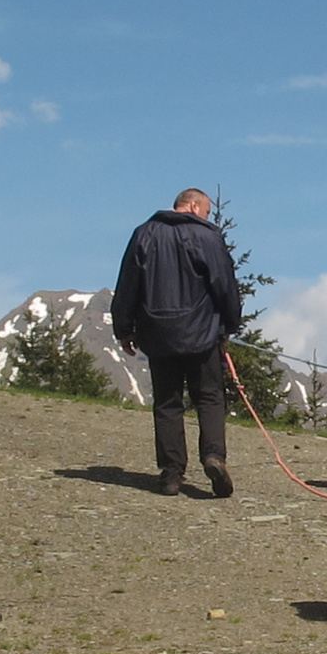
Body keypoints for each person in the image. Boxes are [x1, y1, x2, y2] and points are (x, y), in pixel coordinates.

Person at [112, 188, 243, 497]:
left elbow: (128, 284)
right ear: (195, 206)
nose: (208, 217)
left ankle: (171, 474)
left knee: (168, 403)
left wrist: (124, 328)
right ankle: (213, 456)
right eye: (207, 212)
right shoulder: (207, 238)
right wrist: (229, 325)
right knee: (209, 397)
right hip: (201, 332)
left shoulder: (144, 234)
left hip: (157, 332)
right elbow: (224, 285)